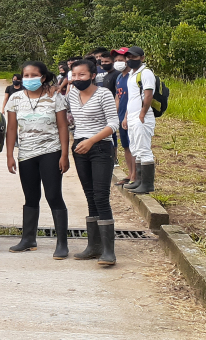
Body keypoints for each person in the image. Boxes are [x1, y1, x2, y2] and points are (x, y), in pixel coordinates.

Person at [5, 62, 70, 258]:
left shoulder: (55, 97)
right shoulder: (15, 99)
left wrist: (65, 155)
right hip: (26, 154)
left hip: (51, 152)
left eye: (34, 75)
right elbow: (11, 129)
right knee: (30, 197)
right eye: (26, 75)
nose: (29, 78)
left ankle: (62, 243)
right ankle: (28, 239)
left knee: (53, 196)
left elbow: (63, 127)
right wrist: (9, 155)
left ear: (43, 78)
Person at [66, 59, 119, 266]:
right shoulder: (72, 94)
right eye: (75, 75)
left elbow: (113, 124)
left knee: (101, 195)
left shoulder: (104, 94)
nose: (78, 79)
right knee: (89, 196)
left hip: (100, 147)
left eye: (82, 75)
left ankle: (108, 251)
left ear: (93, 75)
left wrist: (91, 141)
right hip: (80, 148)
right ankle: (93, 247)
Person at [125, 47, 157, 195]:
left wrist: (142, 113)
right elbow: (131, 98)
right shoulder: (132, 75)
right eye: (128, 57)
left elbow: (148, 94)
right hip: (132, 115)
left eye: (134, 57)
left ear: (142, 58)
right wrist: (126, 116)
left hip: (141, 116)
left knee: (144, 149)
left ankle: (147, 184)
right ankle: (138, 180)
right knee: (135, 148)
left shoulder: (146, 73)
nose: (130, 59)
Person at [112, 48, 138, 187]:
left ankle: (135, 176)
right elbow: (118, 97)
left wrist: (127, 117)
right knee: (126, 146)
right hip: (121, 117)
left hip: (131, 116)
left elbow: (133, 99)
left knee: (134, 146)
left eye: (121, 60)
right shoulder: (119, 77)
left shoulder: (132, 77)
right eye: (116, 61)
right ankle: (130, 174)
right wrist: (114, 115)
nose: (118, 63)